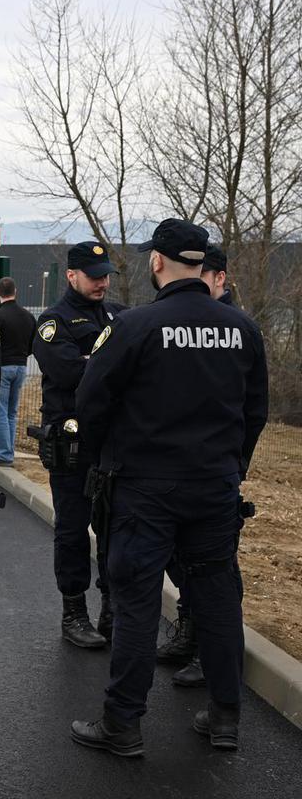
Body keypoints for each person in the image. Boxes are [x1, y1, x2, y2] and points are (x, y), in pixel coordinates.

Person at [70, 218, 268, 756]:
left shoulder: (136, 326)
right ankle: (225, 716)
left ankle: (123, 723)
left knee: (136, 603)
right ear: (203, 265)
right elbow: (255, 411)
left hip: (145, 488)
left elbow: (91, 404)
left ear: (157, 262)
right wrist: (234, 466)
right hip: (214, 487)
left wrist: (107, 458)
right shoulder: (242, 328)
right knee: (217, 598)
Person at [31, 241, 126, 649]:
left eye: (105, 275)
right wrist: (106, 366)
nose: (102, 282)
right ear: (72, 275)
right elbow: (69, 372)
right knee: (72, 531)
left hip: (111, 443)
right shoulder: (53, 321)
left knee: (113, 530)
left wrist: (95, 364)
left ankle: (110, 607)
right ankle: (74, 612)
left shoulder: (120, 316)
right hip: (72, 445)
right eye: (94, 275)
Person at [158, 242, 238, 688]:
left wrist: (234, 465)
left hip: (212, 473)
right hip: (179, 471)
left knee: (218, 571)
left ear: (219, 278)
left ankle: (211, 657)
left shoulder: (235, 325)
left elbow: (252, 409)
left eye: (201, 275)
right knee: (182, 561)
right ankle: (190, 633)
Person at [0, 277, 37, 466]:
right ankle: (9, 451)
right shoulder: (28, 316)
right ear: (15, 291)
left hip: (2, 367)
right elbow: (34, 343)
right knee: (11, 412)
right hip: (21, 366)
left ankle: (4, 454)